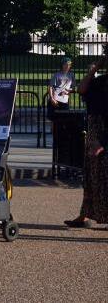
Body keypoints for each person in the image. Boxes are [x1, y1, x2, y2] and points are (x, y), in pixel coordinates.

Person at [64, 58, 108, 228]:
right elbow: (82, 89)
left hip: (103, 134)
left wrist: (102, 142)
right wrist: (94, 69)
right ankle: (84, 215)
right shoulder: (100, 81)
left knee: (104, 178)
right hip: (94, 130)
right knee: (90, 176)